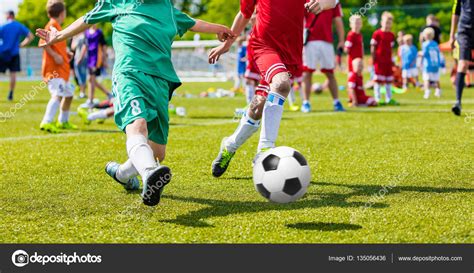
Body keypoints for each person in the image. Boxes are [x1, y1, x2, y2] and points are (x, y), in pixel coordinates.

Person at [37, 0, 234, 206]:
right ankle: (149, 174)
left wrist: (218, 29)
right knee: (137, 125)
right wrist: (58, 35)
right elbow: (88, 19)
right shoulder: (118, 3)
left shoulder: (166, 7)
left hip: (160, 80)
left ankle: (122, 173)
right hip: (129, 73)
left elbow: (192, 22)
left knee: (157, 152)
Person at [207, 0, 336, 177]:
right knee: (282, 84)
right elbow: (245, 13)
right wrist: (228, 43)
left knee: (257, 106)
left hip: (291, 51)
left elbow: (333, 1)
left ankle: (229, 145)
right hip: (263, 45)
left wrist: (322, 3)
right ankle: (265, 150)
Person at [38, 1, 77, 133]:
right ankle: (46, 122)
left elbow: (56, 44)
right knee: (57, 95)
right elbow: (43, 43)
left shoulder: (58, 27)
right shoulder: (51, 25)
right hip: (54, 70)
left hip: (62, 70)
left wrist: (65, 53)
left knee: (69, 94)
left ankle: (63, 121)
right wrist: (55, 56)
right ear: (62, 13)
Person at [301, 0, 345, 113]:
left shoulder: (334, 1)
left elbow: (338, 20)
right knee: (307, 72)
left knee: (330, 72)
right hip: (310, 40)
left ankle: (336, 102)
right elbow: (299, 19)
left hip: (327, 40)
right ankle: (306, 102)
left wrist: (341, 40)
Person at [0, 10, 34, 101]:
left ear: (9, 16)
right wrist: (22, 45)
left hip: (2, 53)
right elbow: (30, 36)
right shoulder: (19, 26)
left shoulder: (3, 26)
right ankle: (10, 93)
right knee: (13, 74)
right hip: (14, 53)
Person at [449, 0, 474, 116]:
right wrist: (451, 36)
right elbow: (456, 12)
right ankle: (458, 102)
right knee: (463, 64)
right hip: (464, 31)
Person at [370, 12, 398, 105]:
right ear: (381, 22)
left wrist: (393, 59)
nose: (387, 25)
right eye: (386, 22)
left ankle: (388, 98)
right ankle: (377, 98)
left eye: (389, 23)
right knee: (378, 80)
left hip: (388, 61)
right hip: (379, 61)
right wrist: (373, 58)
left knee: (388, 80)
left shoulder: (391, 35)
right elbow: (373, 46)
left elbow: (392, 48)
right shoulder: (377, 34)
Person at [81, 25, 111, 108]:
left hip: (97, 59)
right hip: (89, 59)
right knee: (91, 80)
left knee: (91, 79)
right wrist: (80, 57)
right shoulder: (86, 32)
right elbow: (85, 45)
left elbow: (104, 45)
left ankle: (90, 101)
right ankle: (108, 93)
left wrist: (104, 59)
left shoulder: (99, 32)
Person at [421, 28, 442, 99]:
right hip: (435, 64)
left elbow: (424, 53)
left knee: (426, 79)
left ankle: (427, 91)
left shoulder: (425, 44)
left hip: (427, 65)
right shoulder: (435, 44)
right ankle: (438, 90)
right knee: (436, 79)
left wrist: (419, 54)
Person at [71, 32, 88, 99]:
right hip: (76, 57)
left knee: (82, 75)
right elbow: (73, 47)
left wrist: (80, 58)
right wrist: (74, 38)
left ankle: (83, 93)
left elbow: (85, 47)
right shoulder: (77, 36)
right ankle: (82, 92)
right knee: (78, 76)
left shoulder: (84, 35)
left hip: (83, 58)